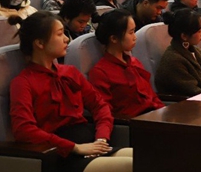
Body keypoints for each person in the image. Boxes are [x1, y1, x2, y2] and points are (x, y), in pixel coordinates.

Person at [9, 11, 133, 172]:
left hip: (91, 143)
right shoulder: (23, 82)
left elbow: (100, 105)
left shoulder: (69, 72)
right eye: (60, 34)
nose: (66, 39)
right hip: (62, 155)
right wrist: (74, 147)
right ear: (39, 43)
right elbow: (23, 130)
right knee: (135, 164)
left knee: (150, 157)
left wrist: (101, 138)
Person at [89, 9, 163, 118]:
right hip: (133, 123)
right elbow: (105, 112)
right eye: (131, 32)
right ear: (114, 38)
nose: (135, 37)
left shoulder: (134, 62)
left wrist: (164, 113)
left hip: (153, 116)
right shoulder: (100, 72)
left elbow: (152, 97)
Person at [155, 9, 201, 96]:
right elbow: (191, 90)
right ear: (184, 36)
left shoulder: (195, 51)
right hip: (192, 102)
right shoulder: (173, 60)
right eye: (198, 31)